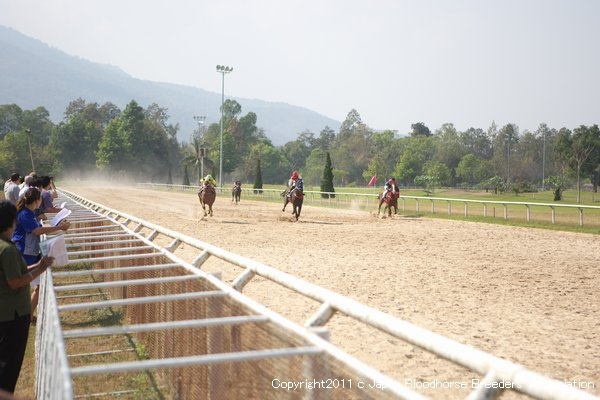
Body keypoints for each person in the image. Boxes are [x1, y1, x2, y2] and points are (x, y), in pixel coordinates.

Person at [0, 200, 54, 394]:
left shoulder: (5, 246)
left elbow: (17, 273)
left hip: (8, 315)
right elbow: (14, 281)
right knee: (8, 368)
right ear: (12, 221)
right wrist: (38, 271)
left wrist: (40, 267)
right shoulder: (7, 250)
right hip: (13, 316)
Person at [12, 188, 70, 323]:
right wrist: (59, 228)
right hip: (25, 254)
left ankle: (28, 316)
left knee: (34, 287)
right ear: (37, 200)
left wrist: (54, 224)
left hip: (28, 252)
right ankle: (27, 316)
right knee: (35, 287)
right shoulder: (26, 214)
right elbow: (37, 230)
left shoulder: (29, 212)